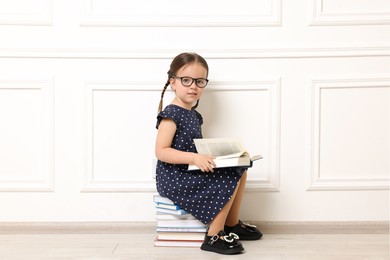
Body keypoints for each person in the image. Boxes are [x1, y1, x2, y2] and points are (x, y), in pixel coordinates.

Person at [155, 52, 262, 255]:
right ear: (173, 82)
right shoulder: (171, 114)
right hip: (174, 176)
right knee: (229, 175)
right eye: (186, 80)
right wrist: (195, 158)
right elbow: (161, 151)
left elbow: (193, 147)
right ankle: (215, 234)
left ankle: (231, 223)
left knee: (241, 167)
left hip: (188, 169)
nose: (193, 86)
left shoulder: (194, 115)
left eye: (199, 81)